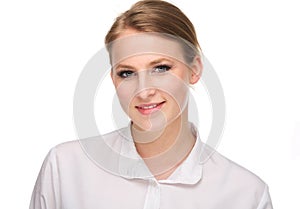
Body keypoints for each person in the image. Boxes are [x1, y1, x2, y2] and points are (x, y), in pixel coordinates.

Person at [30, 0, 273, 208]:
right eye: (127, 73)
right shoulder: (65, 167)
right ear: (113, 78)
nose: (144, 90)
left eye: (161, 68)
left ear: (194, 69)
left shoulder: (246, 194)